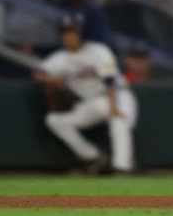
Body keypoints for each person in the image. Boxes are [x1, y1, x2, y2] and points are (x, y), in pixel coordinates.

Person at [32, 13, 138, 174]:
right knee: (54, 120)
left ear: (81, 33)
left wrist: (114, 108)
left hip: (119, 96)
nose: (69, 36)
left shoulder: (98, 51)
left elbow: (110, 80)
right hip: (92, 103)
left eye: (72, 32)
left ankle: (122, 168)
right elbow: (37, 74)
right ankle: (93, 157)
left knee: (118, 120)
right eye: (65, 32)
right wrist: (50, 79)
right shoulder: (60, 59)